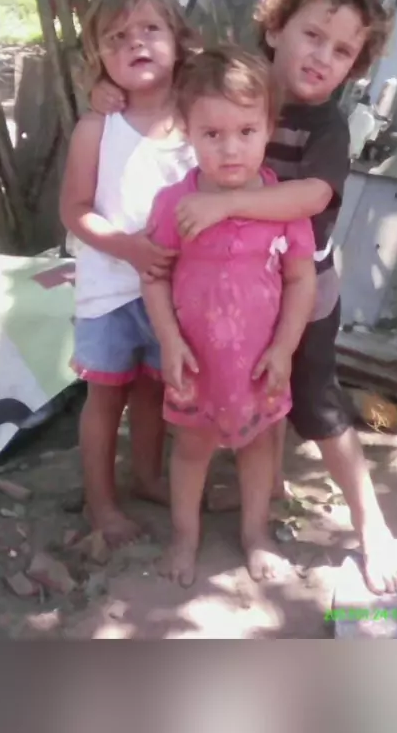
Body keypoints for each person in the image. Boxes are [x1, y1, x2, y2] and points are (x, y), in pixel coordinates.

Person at [89, 0, 397, 595]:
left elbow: (313, 196)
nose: (322, 57)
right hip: (219, 294)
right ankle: (251, 497)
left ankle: (370, 525)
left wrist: (228, 204)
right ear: (275, 29)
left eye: (342, 51)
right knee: (231, 403)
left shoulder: (326, 124)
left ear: (356, 66)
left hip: (302, 287)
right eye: (312, 35)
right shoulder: (236, 85)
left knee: (315, 402)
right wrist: (108, 91)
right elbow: (170, 75)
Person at [142, 46, 317, 586]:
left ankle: (255, 534)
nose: (230, 148)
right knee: (191, 449)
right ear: (187, 131)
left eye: (245, 131)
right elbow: (154, 277)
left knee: (258, 446)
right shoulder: (174, 204)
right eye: (212, 134)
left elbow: (301, 279)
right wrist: (169, 341)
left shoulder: (283, 205)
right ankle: (185, 536)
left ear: (268, 127)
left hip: (261, 364)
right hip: (195, 363)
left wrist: (284, 349)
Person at [59, 0, 200, 545]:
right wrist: (130, 249)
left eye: (150, 29)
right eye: (116, 38)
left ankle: (146, 477)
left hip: (175, 293)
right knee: (105, 397)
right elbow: (74, 210)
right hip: (110, 292)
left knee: (153, 391)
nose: (135, 43)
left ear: (179, 40)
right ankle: (101, 505)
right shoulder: (97, 128)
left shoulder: (198, 122)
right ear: (99, 58)